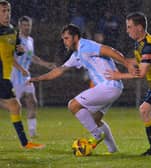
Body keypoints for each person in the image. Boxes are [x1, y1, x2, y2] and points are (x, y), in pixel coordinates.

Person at [28, 24, 136, 153]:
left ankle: (96, 136)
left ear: (75, 37)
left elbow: (108, 50)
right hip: (114, 87)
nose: (64, 42)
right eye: (63, 39)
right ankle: (113, 150)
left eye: (67, 38)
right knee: (95, 119)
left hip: (108, 86)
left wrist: (126, 62)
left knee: (73, 105)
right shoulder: (77, 54)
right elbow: (59, 70)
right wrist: (38, 79)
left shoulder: (85, 46)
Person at [105, 12, 151, 156]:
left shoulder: (148, 46)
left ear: (139, 27)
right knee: (150, 117)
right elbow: (140, 61)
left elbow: (142, 73)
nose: (127, 30)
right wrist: (122, 61)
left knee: (144, 110)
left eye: (129, 27)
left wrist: (118, 76)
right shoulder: (139, 43)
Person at [0, 0, 45, 149]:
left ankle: (25, 143)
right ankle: (25, 143)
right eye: (3, 11)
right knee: (15, 105)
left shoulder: (13, 30)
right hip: (4, 76)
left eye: (8, 11)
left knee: (15, 106)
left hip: (6, 77)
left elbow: (17, 49)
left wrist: (19, 49)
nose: (6, 14)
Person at [11, 16, 56, 138]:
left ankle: (32, 131)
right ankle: (19, 131)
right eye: (24, 25)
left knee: (32, 101)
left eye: (28, 25)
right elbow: (9, 58)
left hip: (26, 77)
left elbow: (32, 57)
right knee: (12, 105)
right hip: (14, 77)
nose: (27, 27)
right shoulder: (15, 39)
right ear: (19, 26)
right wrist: (21, 69)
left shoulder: (30, 40)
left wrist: (47, 64)